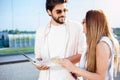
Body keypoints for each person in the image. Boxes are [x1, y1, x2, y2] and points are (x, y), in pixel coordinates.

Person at [57, 9, 120, 80]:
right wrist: (78, 73)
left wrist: (73, 68)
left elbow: (101, 77)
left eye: (84, 21)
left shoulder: (102, 45)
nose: (81, 23)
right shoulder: (94, 44)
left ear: (92, 24)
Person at [33, 0, 86, 80]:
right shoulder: (40, 31)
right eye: (59, 12)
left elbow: (83, 54)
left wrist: (59, 62)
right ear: (49, 12)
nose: (63, 14)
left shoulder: (77, 28)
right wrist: (38, 64)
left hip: (70, 77)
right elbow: (38, 57)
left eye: (65, 10)